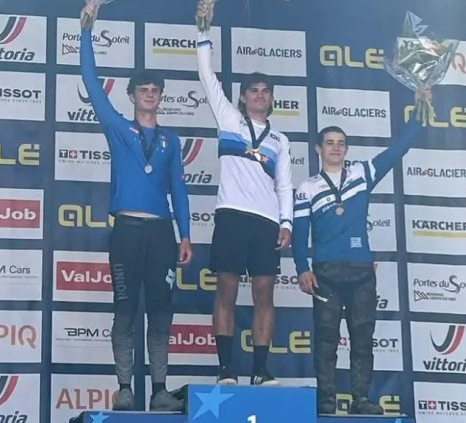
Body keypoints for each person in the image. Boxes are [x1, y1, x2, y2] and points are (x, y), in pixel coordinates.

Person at [79, 4, 192, 412]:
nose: (149, 94)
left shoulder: (170, 141)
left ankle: (160, 389)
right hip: (126, 230)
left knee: (160, 312)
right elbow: (90, 83)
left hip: (161, 233)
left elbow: (178, 189)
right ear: (131, 96)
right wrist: (87, 32)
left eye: (155, 90)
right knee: (125, 309)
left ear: (160, 98)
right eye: (143, 89)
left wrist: (185, 235)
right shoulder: (117, 128)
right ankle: (125, 387)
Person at [291, 89, 430, 415]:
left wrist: (419, 109)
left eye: (341, 143)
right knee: (326, 339)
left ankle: (361, 399)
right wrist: (301, 268)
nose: (336, 148)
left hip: (361, 271)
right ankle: (326, 400)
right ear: (318, 149)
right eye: (330, 143)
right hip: (325, 272)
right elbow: (299, 234)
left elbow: (398, 149)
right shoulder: (307, 188)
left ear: (347, 149)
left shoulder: (362, 174)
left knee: (363, 339)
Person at [195, 5, 293, 386]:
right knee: (227, 290)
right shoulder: (229, 119)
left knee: (264, 295)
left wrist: (286, 223)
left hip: (266, 221)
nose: (260, 96)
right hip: (232, 215)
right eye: (254, 91)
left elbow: (284, 184)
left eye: (266, 92)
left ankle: (260, 370)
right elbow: (207, 75)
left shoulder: (280, 140)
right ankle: (225, 369)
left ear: (271, 99)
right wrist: (204, 31)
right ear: (242, 97)